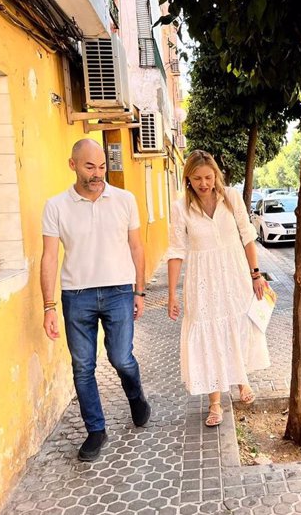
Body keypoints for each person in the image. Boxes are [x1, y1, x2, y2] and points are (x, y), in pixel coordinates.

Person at [41, 139, 151, 462]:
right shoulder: (56, 206)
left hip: (119, 290)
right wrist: (48, 306)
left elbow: (137, 247)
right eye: (90, 166)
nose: (98, 173)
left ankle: (136, 396)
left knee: (121, 357)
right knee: (83, 366)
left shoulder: (125, 200)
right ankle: (96, 430)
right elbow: (48, 258)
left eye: (102, 166)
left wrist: (139, 290)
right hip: (76, 296)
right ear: (72, 165)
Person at [166, 150, 270, 427]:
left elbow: (248, 236)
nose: (204, 183)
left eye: (208, 177)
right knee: (209, 334)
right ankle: (215, 402)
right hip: (202, 280)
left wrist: (256, 275)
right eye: (197, 178)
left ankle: (241, 380)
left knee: (236, 326)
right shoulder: (181, 208)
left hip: (234, 274)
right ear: (187, 178)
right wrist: (172, 294)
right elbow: (176, 251)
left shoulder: (231, 198)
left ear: (216, 175)